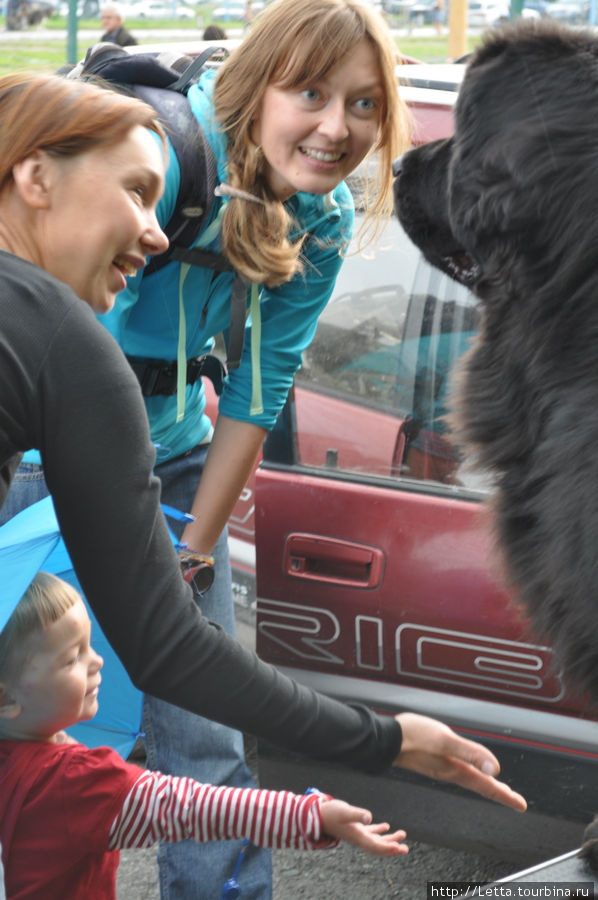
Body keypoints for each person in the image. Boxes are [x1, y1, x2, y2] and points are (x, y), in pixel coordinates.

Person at [0, 8, 526, 900]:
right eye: (310, 92)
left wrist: (194, 544)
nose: (337, 126)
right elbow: (165, 643)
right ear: (33, 176)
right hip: (49, 459)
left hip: (166, 457)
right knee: (43, 736)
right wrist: (384, 739)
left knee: (195, 741)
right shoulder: (82, 294)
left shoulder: (318, 222)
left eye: (364, 103)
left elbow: (258, 389)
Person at [0, 572, 409, 900]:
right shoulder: (77, 783)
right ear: (6, 697)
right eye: (72, 657)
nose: (97, 661)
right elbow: (197, 808)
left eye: (89, 645)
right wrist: (312, 816)